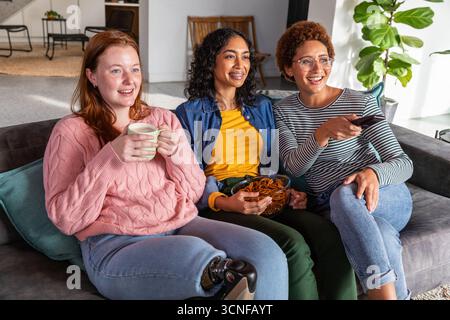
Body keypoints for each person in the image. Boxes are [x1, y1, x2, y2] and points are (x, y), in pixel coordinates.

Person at [43, 30, 289, 300]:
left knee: (267, 253)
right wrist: (110, 156)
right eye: (116, 71)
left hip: (182, 223)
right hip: (117, 245)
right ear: (92, 76)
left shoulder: (162, 119)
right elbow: (66, 219)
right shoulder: (71, 131)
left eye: (135, 69)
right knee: (199, 258)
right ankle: (222, 276)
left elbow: (194, 193)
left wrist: (178, 155)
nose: (129, 80)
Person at [175, 28, 357, 300]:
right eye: (230, 56)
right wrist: (224, 202)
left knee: (328, 235)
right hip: (224, 200)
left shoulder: (261, 107)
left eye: (246, 57)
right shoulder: (189, 113)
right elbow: (188, 177)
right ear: (211, 61)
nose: (241, 65)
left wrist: (292, 191)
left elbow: (279, 161)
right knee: (291, 244)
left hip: (268, 192)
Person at [274, 21, 414, 300]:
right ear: (289, 69)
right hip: (334, 207)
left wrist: (373, 173)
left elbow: (403, 162)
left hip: (386, 197)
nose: (318, 70)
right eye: (306, 61)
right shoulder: (283, 111)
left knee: (345, 195)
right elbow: (293, 165)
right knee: (382, 236)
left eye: (324, 60)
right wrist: (323, 133)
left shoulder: (359, 103)